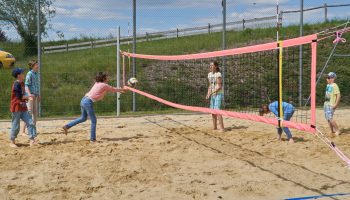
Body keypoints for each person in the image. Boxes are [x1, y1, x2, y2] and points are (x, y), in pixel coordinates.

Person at [62, 72, 127, 143]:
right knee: (94, 121)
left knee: (83, 118)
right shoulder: (103, 85)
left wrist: (121, 90)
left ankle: (67, 126)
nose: (108, 78)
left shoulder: (97, 83)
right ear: (103, 78)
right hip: (87, 102)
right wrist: (122, 89)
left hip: (83, 100)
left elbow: (109, 90)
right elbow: (113, 89)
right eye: (106, 77)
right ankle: (93, 139)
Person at [9, 67, 37, 147]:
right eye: (22, 73)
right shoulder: (16, 84)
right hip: (16, 108)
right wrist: (29, 96)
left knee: (30, 123)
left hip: (23, 107)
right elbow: (19, 97)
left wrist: (27, 98)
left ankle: (32, 140)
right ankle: (12, 141)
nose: (23, 74)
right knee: (16, 125)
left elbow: (23, 96)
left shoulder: (22, 83)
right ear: (18, 75)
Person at [21, 60, 40, 135]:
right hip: (30, 96)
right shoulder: (29, 74)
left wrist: (38, 95)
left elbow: (37, 85)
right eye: (36, 65)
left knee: (35, 113)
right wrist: (29, 95)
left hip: (35, 95)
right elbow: (26, 85)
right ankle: (23, 131)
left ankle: (33, 130)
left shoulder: (36, 74)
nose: (38, 66)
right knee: (29, 113)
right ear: (32, 66)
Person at [206, 61, 224, 132]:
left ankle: (222, 128)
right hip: (213, 94)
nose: (210, 67)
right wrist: (208, 94)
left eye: (212, 65)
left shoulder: (218, 74)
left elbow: (219, 86)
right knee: (213, 111)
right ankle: (215, 127)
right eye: (210, 65)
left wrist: (212, 93)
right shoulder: (209, 74)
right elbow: (210, 85)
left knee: (217, 110)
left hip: (218, 94)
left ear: (216, 66)